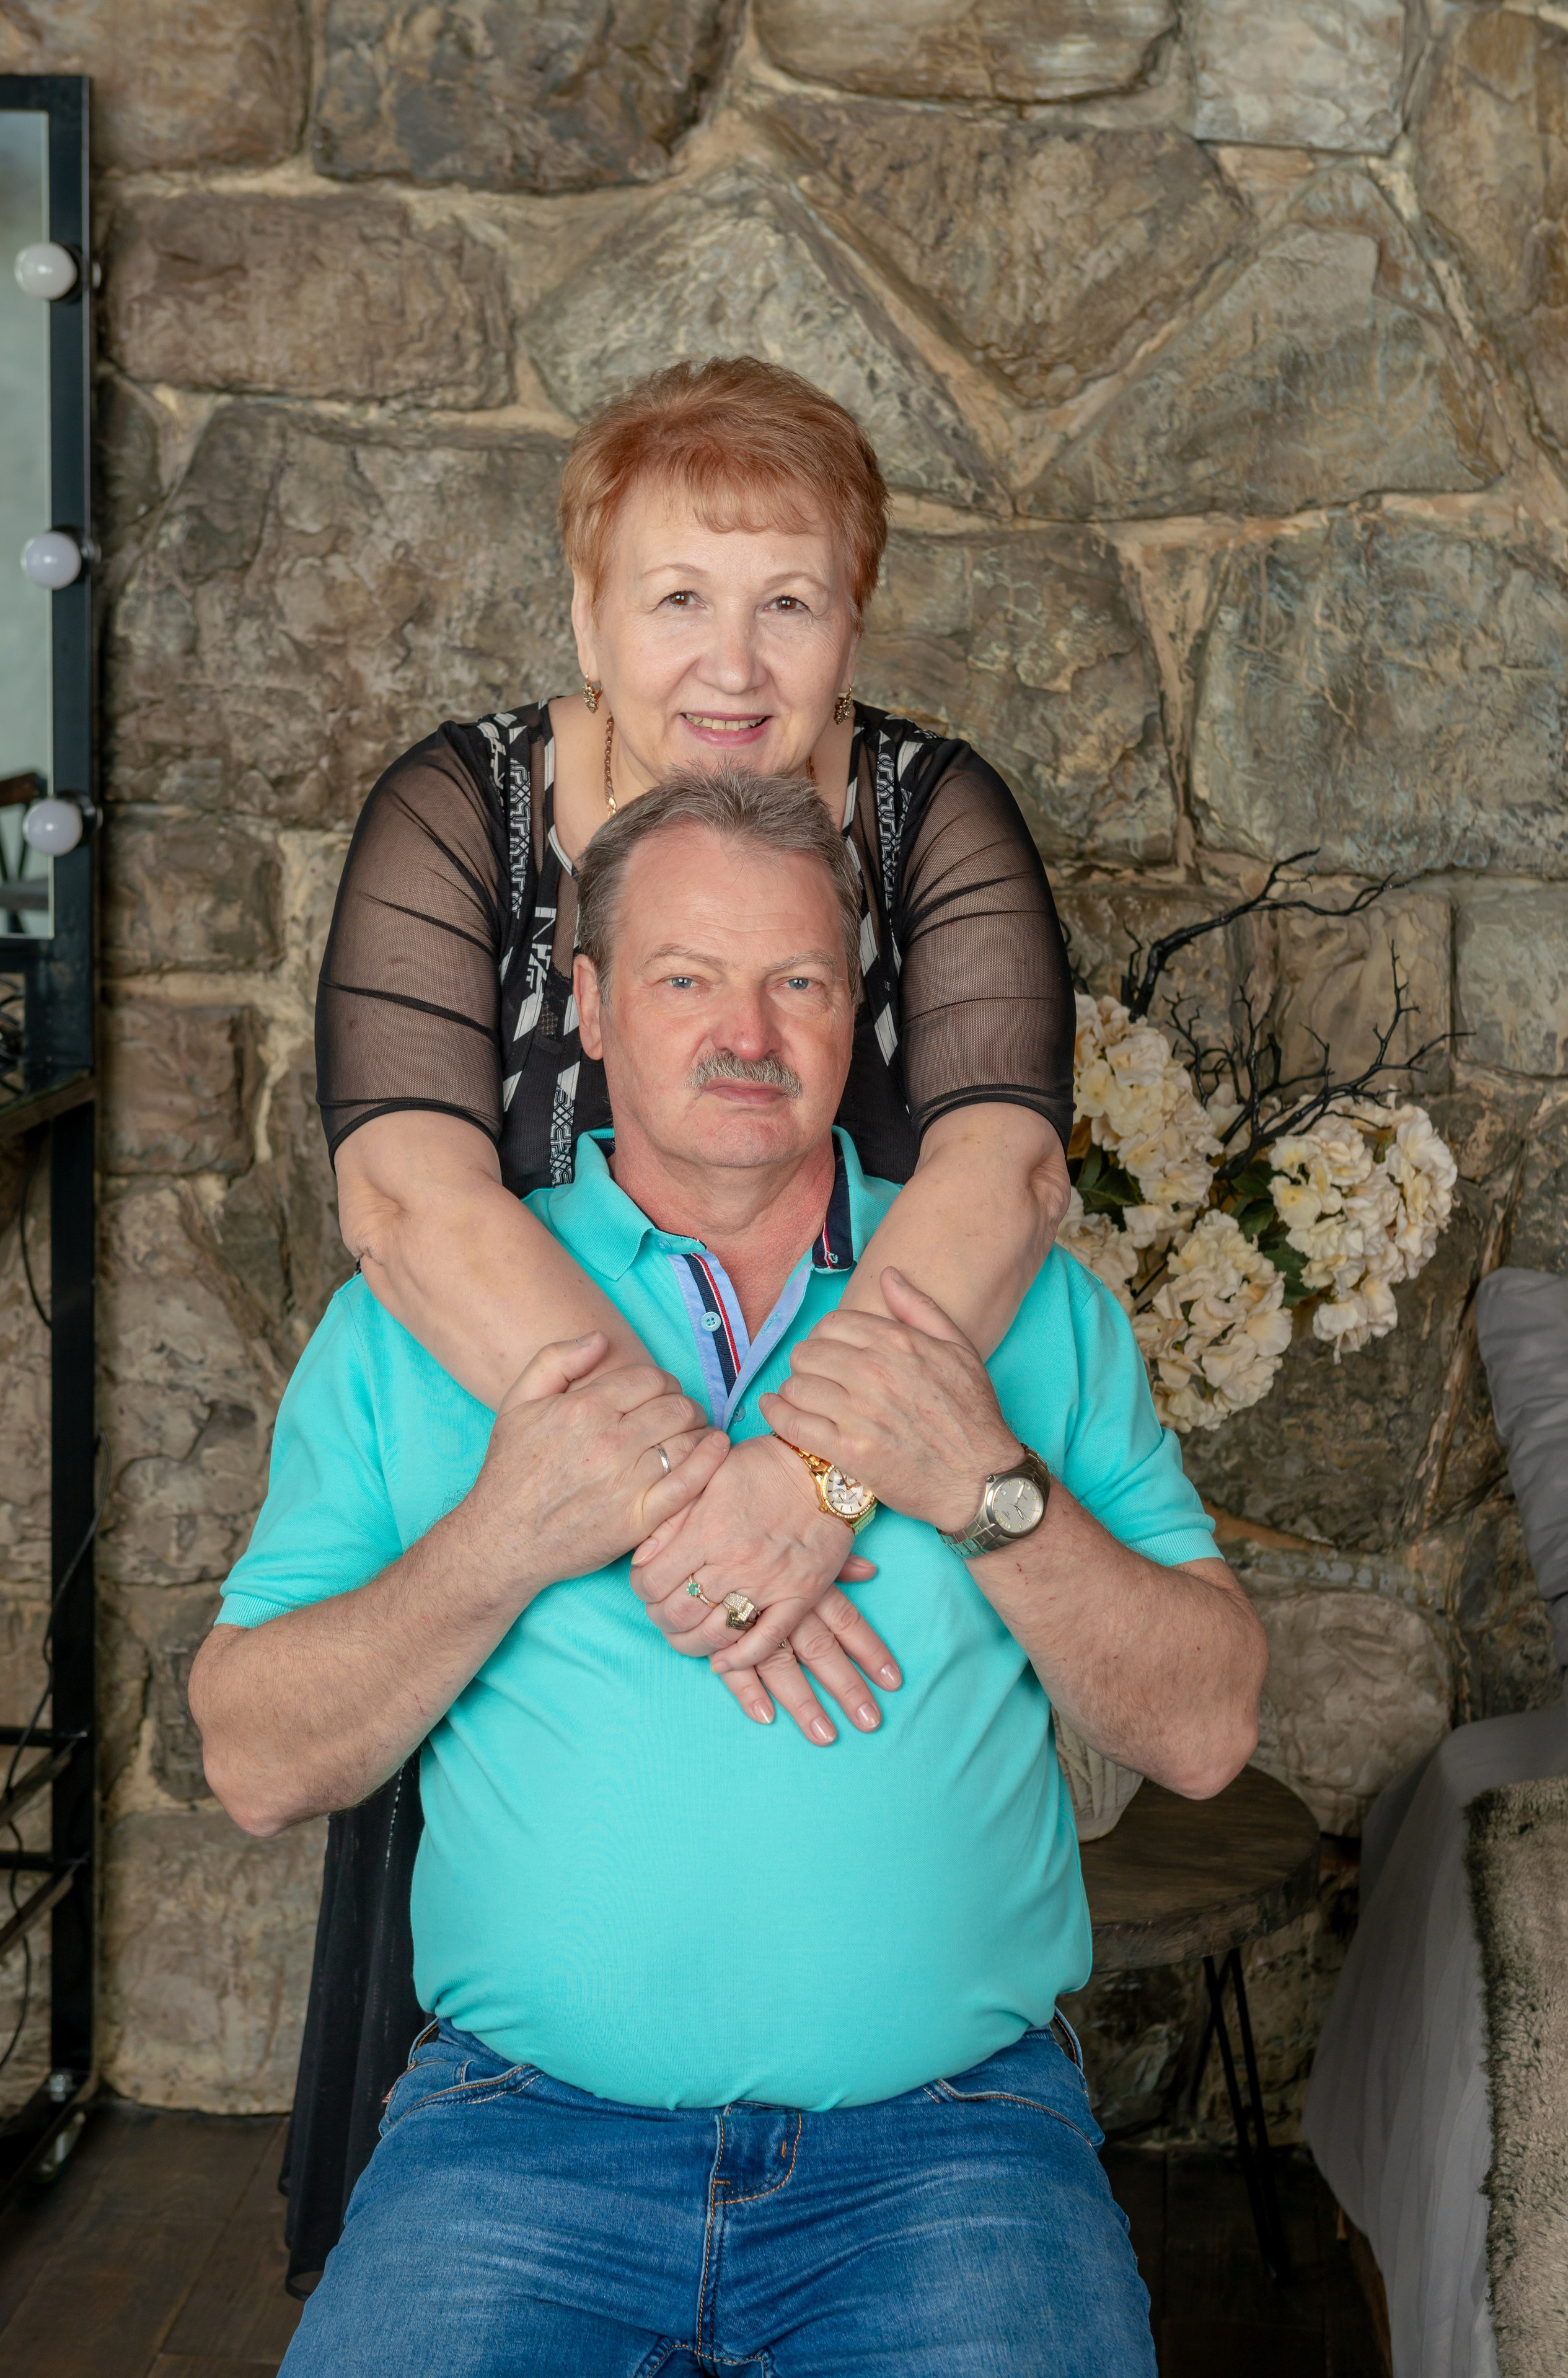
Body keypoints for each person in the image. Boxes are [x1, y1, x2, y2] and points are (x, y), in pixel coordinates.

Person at [193, 770, 1267, 2376]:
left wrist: (981, 1492)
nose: (746, 1032)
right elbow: (255, 1758)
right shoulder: (425, 1324)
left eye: (800, 981)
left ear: (862, 1010)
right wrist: (503, 1541)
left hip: (953, 2150)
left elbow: (1206, 1727)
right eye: (687, 978)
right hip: (518, 2144)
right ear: (593, 1007)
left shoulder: (1021, 1306)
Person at [290, 353, 1080, 2268]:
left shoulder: (930, 811)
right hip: (545, 1569)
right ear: (586, 612)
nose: (734, 661)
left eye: (788, 601)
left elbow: (1001, 1177)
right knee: (505, 2100)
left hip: (871, 1549)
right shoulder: (460, 811)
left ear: (853, 623)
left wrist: (799, 1493)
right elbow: (405, 1195)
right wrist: (666, 1500)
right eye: (678, 597)